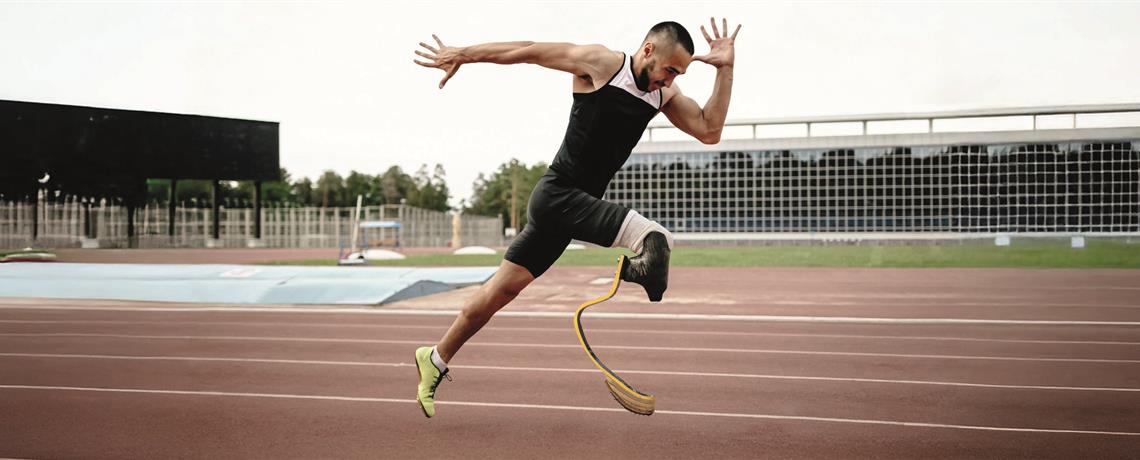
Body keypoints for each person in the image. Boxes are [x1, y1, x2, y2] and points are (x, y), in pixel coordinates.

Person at [412, 18, 741, 418]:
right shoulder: (602, 64)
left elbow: (710, 130)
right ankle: (636, 269)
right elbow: (528, 49)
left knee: (498, 293)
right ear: (649, 50)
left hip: (569, 209)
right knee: (654, 238)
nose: (669, 80)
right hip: (557, 195)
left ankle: (436, 356)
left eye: (679, 74)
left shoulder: (663, 95)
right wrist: (463, 53)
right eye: (669, 69)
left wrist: (725, 69)